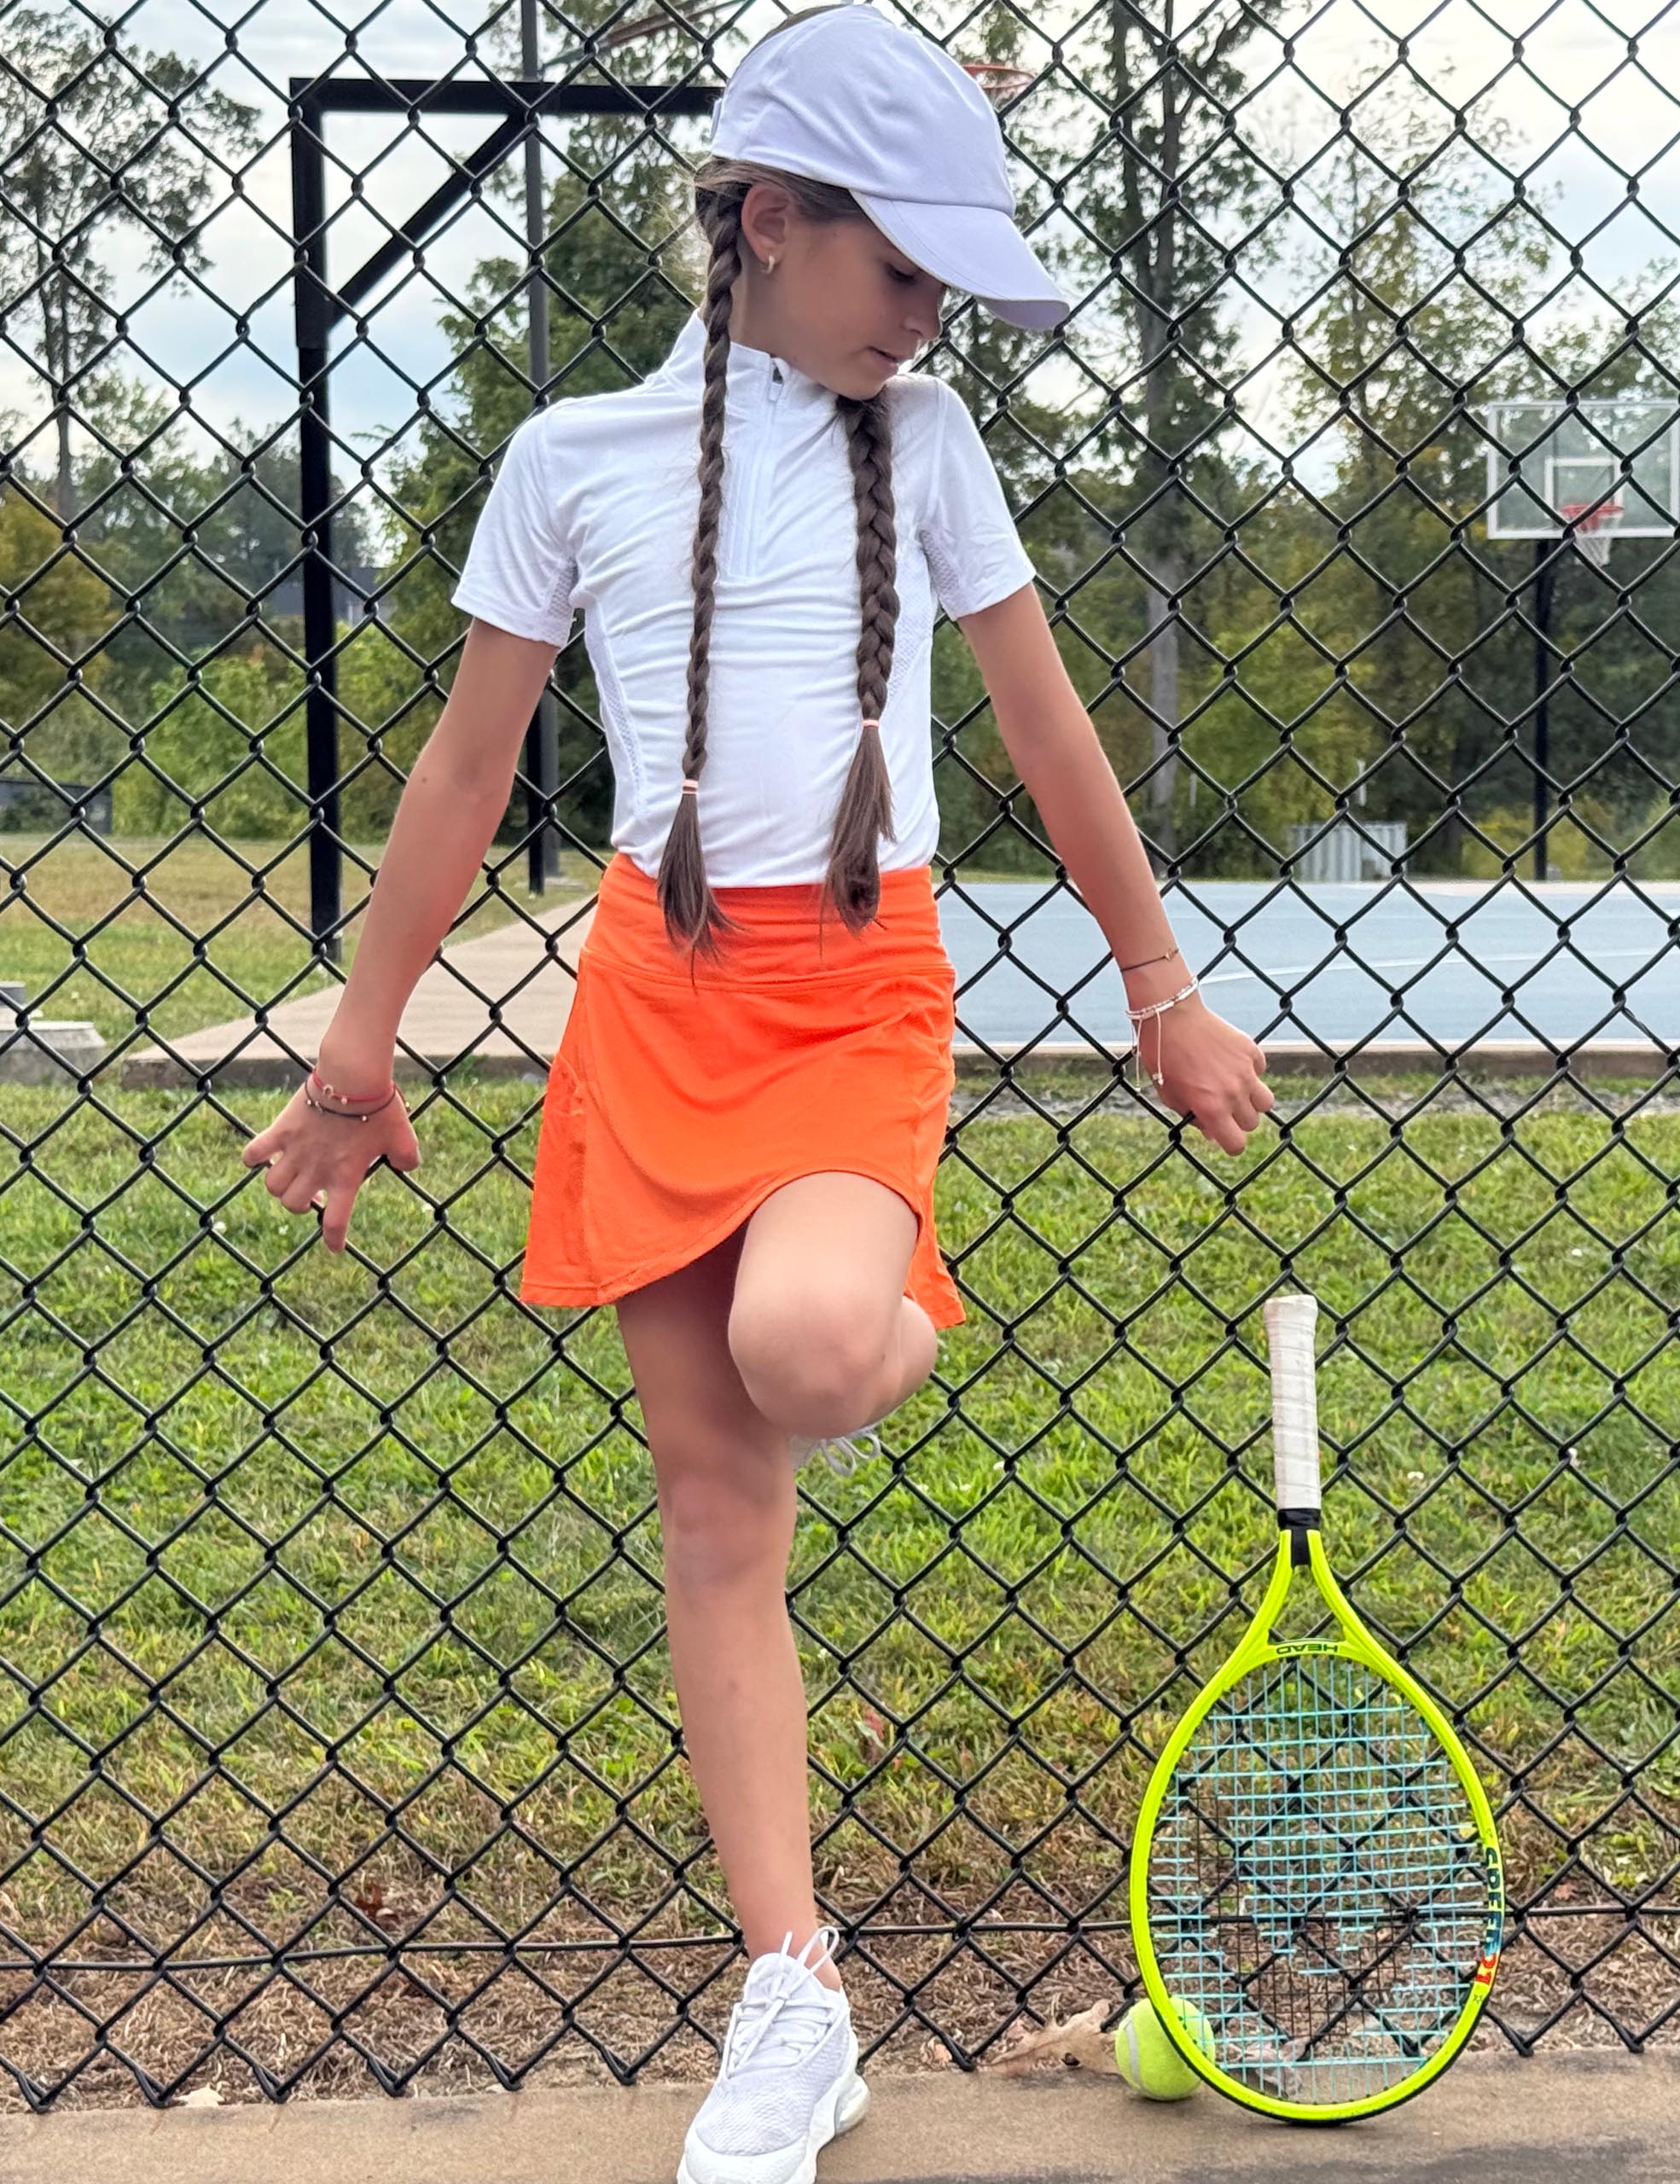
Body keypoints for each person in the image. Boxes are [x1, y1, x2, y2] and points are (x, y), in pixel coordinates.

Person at [240, 7, 1273, 2178]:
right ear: (768, 222)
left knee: (815, 1344)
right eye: (904, 270)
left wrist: (1160, 984)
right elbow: (454, 770)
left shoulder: (938, 451)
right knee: (717, 1523)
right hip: (655, 996)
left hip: (856, 989)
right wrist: (359, 1046)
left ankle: (908, 1281)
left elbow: (1054, 728)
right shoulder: (576, 460)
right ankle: (790, 1989)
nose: (928, 320)